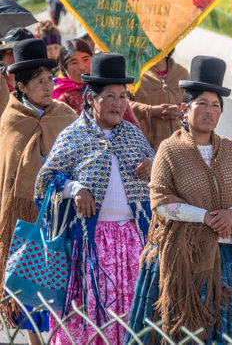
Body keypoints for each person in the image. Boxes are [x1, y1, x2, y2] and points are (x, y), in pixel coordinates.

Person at [126, 55, 232, 344]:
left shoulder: (230, 149)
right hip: (185, 260)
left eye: (216, 105)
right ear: (185, 109)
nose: (210, 110)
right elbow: (160, 201)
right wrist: (204, 216)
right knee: (188, 329)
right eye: (202, 103)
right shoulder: (169, 150)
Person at [35, 52, 155, 344]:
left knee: (131, 317)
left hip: (133, 244)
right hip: (88, 245)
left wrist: (154, 166)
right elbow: (45, 181)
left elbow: (162, 174)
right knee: (90, 318)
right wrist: (75, 188)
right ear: (91, 98)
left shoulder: (134, 136)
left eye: (123, 97)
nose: (118, 103)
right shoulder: (73, 136)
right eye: (110, 96)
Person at [0, 38, 77, 345]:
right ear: (21, 86)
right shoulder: (11, 122)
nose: (48, 87)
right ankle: (34, 341)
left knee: (65, 285)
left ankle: (64, 338)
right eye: (39, 82)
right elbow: (7, 178)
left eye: (50, 80)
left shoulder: (66, 117)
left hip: (63, 216)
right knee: (28, 287)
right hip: (27, 221)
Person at [53, 39, 141, 128]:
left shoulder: (110, 86)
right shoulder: (61, 97)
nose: (82, 67)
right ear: (64, 69)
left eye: (86, 59)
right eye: (74, 62)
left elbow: (132, 125)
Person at [129, 50, 189, 150]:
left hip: (176, 145)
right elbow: (123, 104)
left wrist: (181, 110)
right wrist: (150, 110)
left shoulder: (182, 73)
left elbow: (191, 104)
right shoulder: (133, 70)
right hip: (142, 143)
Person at [0, 27, 35, 94]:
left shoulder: (41, 83)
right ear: (2, 55)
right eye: (11, 52)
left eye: (24, 52)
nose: (18, 58)